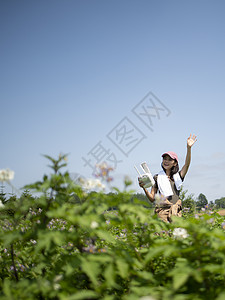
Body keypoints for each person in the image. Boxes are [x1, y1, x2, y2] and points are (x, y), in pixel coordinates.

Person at [138, 134, 197, 222]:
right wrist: (144, 188)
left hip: (175, 213)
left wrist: (189, 148)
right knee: (162, 235)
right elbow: (152, 198)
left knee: (176, 234)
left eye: (169, 159)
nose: (166, 161)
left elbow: (187, 164)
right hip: (161, 212)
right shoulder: (157, 177)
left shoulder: (178, 176)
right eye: (164, 159)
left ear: (175, 163)